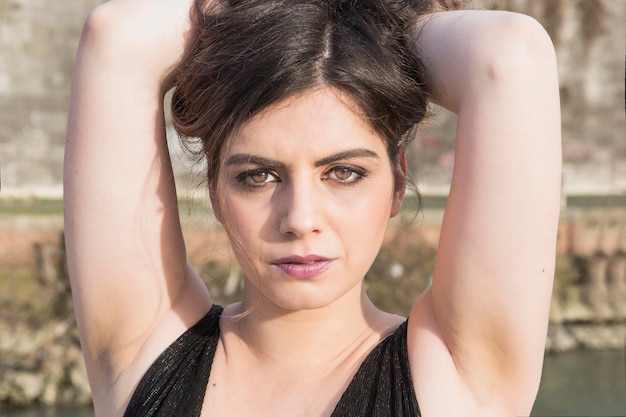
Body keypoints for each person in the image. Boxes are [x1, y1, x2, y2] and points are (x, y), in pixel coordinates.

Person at [63, 0, 561, 416]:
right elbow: (117, 38)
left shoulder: (457, 378)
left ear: (397, 181)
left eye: (344, 173)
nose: (300, 219)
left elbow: (507, 54)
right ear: (215, 190)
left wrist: (359, 27)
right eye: (257, 176)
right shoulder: (149, 357)